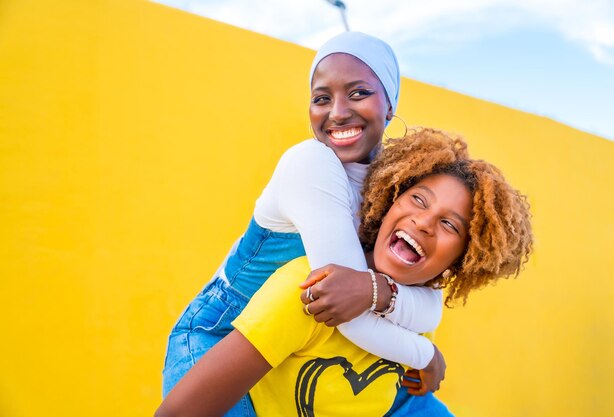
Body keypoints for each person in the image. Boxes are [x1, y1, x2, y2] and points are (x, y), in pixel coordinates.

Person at [155, 128, 534, 417]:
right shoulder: (309, 289)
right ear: (388, 200)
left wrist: (425, 353)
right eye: (418, 199)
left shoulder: (416, 310)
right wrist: (425, 353)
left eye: (450, 225)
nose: (424, 222)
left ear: (462, 260)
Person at [162, 32, 445, 415]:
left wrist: (374, 289)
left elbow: (430, 302)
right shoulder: (310, 164)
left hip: (298, 346)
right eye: (321, 98)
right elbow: (348, 309)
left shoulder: (398, 185)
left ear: (390, 104)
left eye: (358, 93)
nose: (338, 112)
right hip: (222, 336)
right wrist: (424, 354)